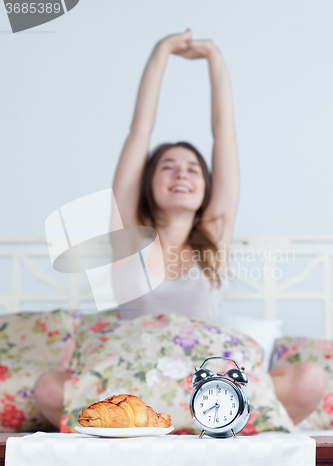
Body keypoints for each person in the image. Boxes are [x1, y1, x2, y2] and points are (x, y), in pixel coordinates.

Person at [34, 29, 327, 429]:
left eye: (193, 169)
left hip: (209, 387)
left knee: (311, 377)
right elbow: (139, 131)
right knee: (48, 387)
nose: (182, 174)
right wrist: (162, 51)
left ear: (207, 188)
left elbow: (225, 136)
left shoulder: (214, 239)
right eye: (168, 166)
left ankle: (203, 423)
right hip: (134, 383)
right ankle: (177, 424)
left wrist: (215, 60)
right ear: (148, 182)